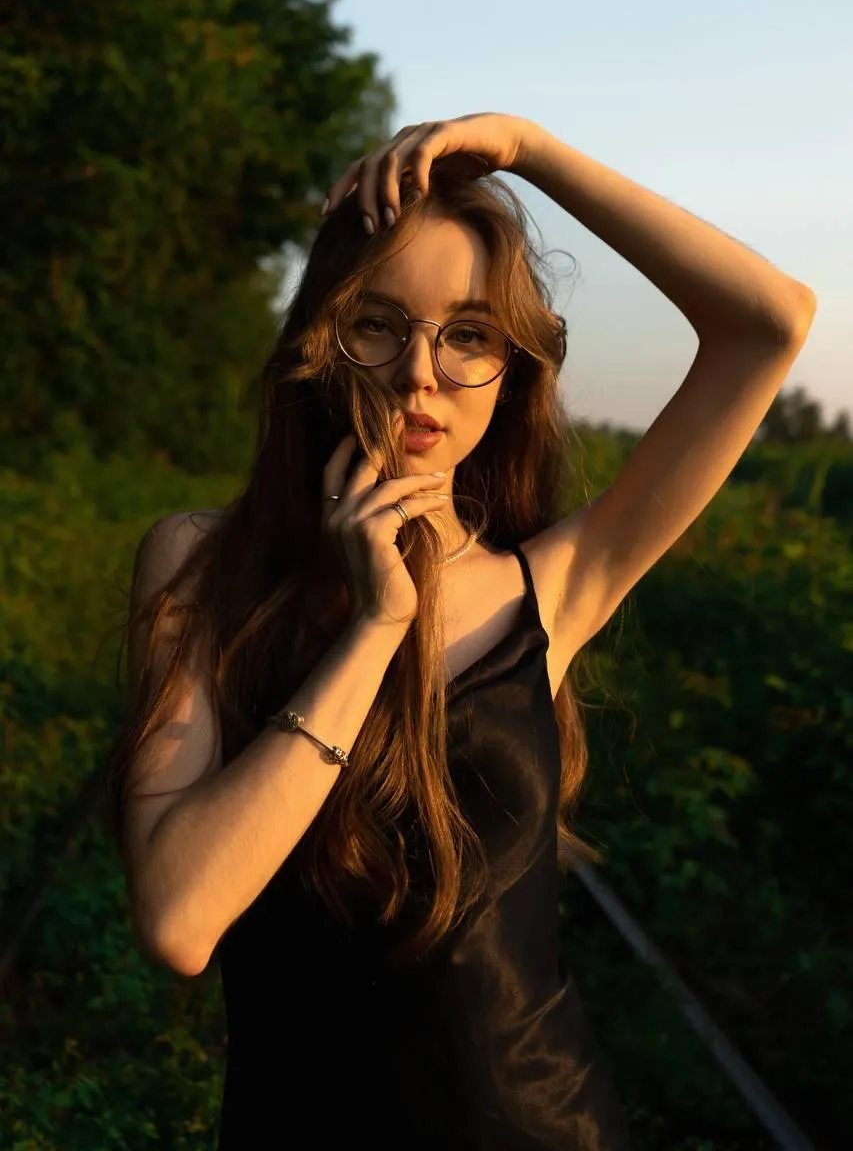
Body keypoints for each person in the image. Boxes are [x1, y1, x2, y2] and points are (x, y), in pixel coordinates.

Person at [105, 113, 815, 1149]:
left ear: (510, 366)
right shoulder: (200, 566)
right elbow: (178, 918)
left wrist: (530, 150)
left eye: (469, 333)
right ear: (320, 339)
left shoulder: (556, 583)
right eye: (380, 321)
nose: (420, 371)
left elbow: (769, 321)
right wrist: (376, 627)